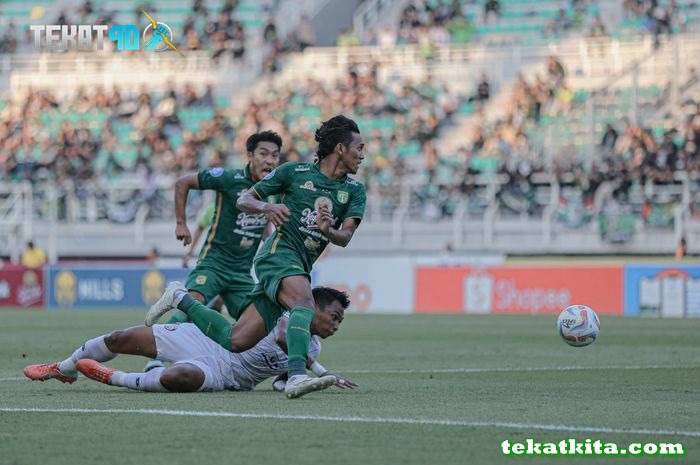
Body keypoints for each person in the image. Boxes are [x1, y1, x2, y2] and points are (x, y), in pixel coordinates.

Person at [146, 115, 366, 399]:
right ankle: (295, 376)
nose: (362, 155)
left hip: (294, 265)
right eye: (359, 148)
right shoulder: (294, 172)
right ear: (340, 148)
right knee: (304, 304)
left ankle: (179, 298)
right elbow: (244, 199)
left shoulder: (355, 191)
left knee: (237, 340)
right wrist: (266, 208)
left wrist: (329, 230)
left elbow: (345, 238)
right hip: (276, 255)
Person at [24, 287, 355, 394]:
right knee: (120, 337)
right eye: (335, 317)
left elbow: (280, 382)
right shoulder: (289, 322)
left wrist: (287, 382)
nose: (336, 325)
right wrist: (320, 371)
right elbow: (283, 339)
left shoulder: (313, 346)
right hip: (205, 342)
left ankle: (113, 377)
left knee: (177, 377)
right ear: (311, 309)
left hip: (225, 376)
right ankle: (63, 367)